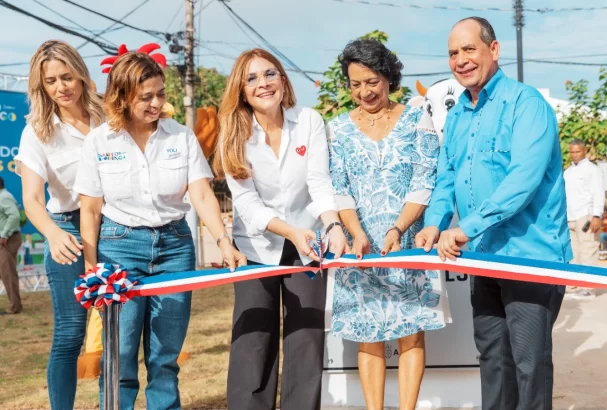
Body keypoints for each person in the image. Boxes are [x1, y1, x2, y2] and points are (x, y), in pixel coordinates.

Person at [74, 52, 246, 410]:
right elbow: (90, 208)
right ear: (122, 97)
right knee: (119, 355)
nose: (157, 103)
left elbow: (200, 192)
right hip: (118, 250)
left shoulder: (181, 137)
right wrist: (92, 264)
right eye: (146, 97)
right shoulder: (99, 142)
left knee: (164, 357)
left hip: (175, 248)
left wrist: (223, 240)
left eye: (160, 94)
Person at [416, 17, 570, 410]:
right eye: (453, 53)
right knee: (493, 359)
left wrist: (464, 228)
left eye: (469, 49)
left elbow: (523, 180)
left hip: (529, 257)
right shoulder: (458, 117)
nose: (461, 60)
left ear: (494, 50)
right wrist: (434, 221)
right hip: (483, 258)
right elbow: (447, 175)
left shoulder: (526, 103)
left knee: (529, 363)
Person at [216, 48, 348, 410]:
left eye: (270, 74)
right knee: (254, 341)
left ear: (283, 79)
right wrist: (289, 231)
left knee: (306, 341)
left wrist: (332, 223)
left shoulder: (309, 120)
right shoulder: (233, 132)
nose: (263, 83)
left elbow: (319, 182)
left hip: (307, 244)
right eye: (252, 78)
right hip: (257, 246)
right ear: (241, 90)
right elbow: (246, 203)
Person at [326, 39, 449, 410]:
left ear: (389, 78)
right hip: (359, 246)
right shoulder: (338, 130)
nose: (364, 91)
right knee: (369, 334)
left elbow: (425, 180)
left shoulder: (417, 119)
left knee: (411, 331)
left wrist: (397, 229)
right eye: (355, 84)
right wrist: (358, 233)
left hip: (408, 240)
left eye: (372, 82)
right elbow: (339, 189)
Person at [14, 39, 104, 409]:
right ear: (41, 86)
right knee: (70, 335)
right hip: (67, 231)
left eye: (66, 77)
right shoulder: (36, 131)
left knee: (120, 336)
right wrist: (53, 234)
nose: (60, 87)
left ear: (81, 75)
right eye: (50, 81)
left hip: (118, 228)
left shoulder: (110, 117)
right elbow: (33, 200)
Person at [563, 139, 603, 299]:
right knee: (573, 254)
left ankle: (588, 288)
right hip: (569, 217)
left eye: (577, 151)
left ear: (584, 151)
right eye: (572, 152)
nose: (574, 155)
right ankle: (572, 287)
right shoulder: (568, 172)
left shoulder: (592, 170)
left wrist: (597, 215)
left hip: (586, 216)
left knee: (588, 252)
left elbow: (598, 192)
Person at [0, 176, 22, 315]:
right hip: (6, 239)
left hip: (7, 240)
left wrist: (4, 234)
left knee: (8, 273)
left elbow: (14, 216)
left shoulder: (4, 197)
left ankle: (15, 307)